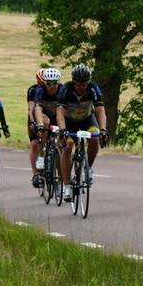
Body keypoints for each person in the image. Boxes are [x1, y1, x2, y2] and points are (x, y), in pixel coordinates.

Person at [52, 66, 106, 201]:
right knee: (67, 147)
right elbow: (60, 113)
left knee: (94, 139)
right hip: (69, 121)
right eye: (78, 83)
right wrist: (63, 130)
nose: (81, 86)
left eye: (84, 83)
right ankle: (66, 186)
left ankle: (88, 168)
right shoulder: (66, 89)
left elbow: (100, 111)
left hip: (86, 119)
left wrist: (103, 130)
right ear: (73, 81)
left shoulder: (93, 88)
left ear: (88, 82)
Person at [26, 67, 60, 187]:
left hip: (55, 116)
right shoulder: (34, 90)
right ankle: (36, 173)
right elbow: (32, 109)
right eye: (45, 83)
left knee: (60, 145)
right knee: (35, 144)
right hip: (38, 116)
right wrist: (33, 122)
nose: (51, 87)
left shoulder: (61, 90)